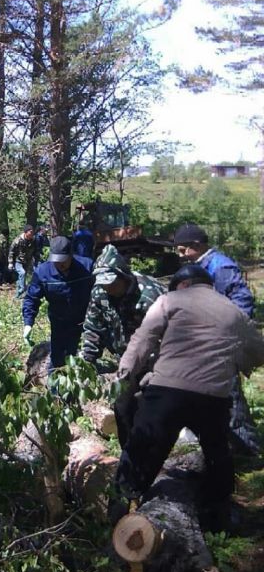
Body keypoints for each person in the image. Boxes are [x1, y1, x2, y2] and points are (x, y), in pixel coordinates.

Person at [114, 264, 264, 530]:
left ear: (182, 284)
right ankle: (218, 514)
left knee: (140, 451)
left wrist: (124, 376)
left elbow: (143, 338)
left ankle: (119, 510)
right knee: (217, 452)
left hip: (167, 392)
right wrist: (236, 362)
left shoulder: (169, 300)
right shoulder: (234, 311)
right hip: (213, 397)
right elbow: (257, 350)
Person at [173, 222, 258, 454]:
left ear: (197, 246)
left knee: (229, 396)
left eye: (183, 250)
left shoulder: (220, 267)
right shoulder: (200, 267)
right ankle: (224, 444)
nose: (181, 256)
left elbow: (243, 303)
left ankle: (248, 450)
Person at [82, 244, 167, 445]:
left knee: (152, 409)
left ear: (124, 276)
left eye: (112, 283)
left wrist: (159, 370)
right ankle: (128, 452)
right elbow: (93, 328)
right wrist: (87, 361)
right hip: (126, 361)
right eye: (103, 284)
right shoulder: (100, 293)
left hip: (156, 361)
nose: (108, 289)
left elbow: (171, 337)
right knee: (122, 407)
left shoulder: (150, 296)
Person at [22, 235, 94, 372]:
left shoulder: (87, 267)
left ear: (71, 255)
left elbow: (100, 293)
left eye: (63, 260)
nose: (60, 264)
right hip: (59, 320)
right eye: (56, 261)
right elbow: (32, 298)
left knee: (84, 356)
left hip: (84, 319)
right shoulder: (42, 272)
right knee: (58, 357)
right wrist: (28, 323)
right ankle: (56, 389)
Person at [9, 225, 36, 298]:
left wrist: (35, 259)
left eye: (32, 232)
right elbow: (11, 251)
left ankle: (17, 295)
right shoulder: (17, 240)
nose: (31, 234)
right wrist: (10, 263)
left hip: (27, 261)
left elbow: (35, 251)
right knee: (22, 273)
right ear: (25, 232)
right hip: (18, 261)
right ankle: (22, 289)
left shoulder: (33, 240)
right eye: (30, 232)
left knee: (21, 278)